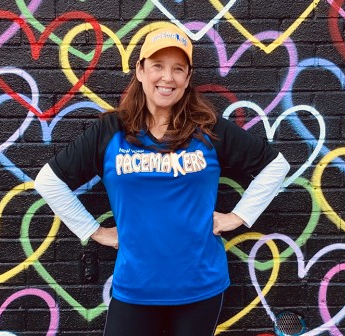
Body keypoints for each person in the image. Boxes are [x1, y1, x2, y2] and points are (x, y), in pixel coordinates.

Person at [34, 24, 290, 336]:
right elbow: (48, 181)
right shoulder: (110, 131)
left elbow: (275, 167)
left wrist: (237, 217)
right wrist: (95, 231)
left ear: (187, 78)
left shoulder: (208, 130)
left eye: (178, 69)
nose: (167, 78)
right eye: (157, 66)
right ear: (140, 71)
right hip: (135, 287)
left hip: (201, 286)